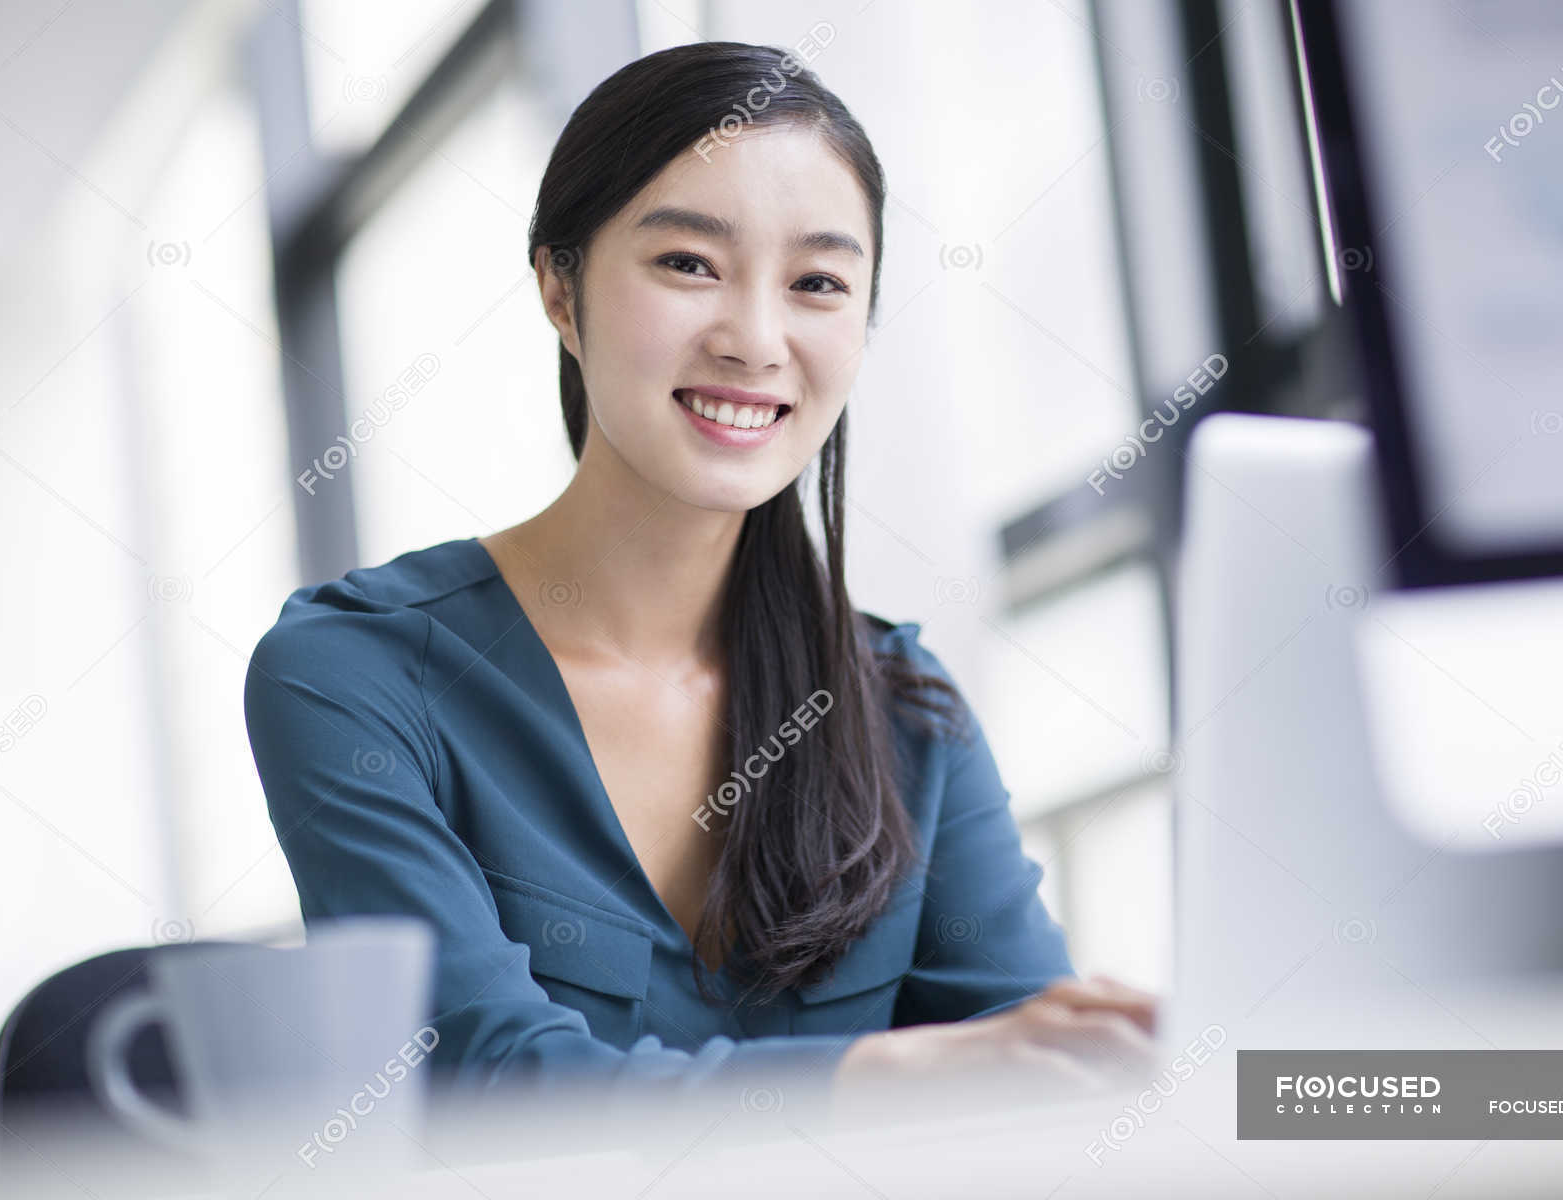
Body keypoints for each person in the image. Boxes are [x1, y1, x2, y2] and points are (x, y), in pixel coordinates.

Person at [243, 39, 1158, 1130]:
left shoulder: (901, 704)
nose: (756, 340)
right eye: (689, 265)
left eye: (818, 283)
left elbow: (1038, 1072)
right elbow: (491, 1080)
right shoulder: (356, 676)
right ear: (560, 288)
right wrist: (877, 1079)